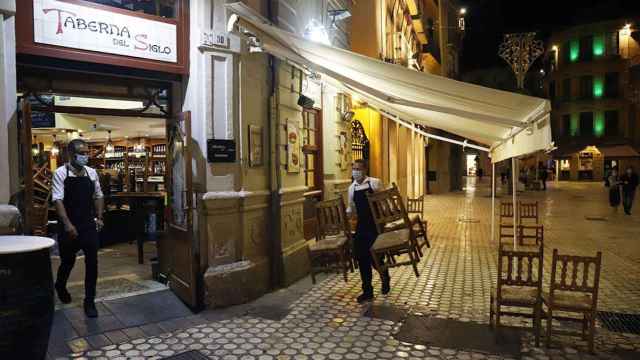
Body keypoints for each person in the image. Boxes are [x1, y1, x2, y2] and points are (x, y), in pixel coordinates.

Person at [52, 139, 104, 317]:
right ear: (70, 154)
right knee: (68, 261)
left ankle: (89, 301)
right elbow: (58, 200)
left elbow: (98, 195)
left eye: (86, 153)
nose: (85, 156)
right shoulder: (60, 173)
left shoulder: (91, 173)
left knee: (92, 263)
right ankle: (60, 285)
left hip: (88, 224)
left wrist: (99, 216)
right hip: (69, 224)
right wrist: (67, 224)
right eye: (82, 153)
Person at [347, 159, 390, 303]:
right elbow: (352, 208)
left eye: (358, 169)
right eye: (353, 169)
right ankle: (367, 291)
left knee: (375, 257)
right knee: (361, 258)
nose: (355, 172)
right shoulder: (352, 188)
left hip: (375, 226)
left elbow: (384, 202)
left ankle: (385, 277)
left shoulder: (375, 183)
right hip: (361, 226)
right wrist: (348, 212)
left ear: (365, 170)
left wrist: (385, 223)